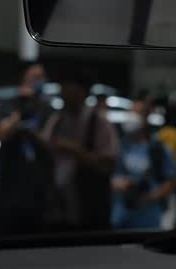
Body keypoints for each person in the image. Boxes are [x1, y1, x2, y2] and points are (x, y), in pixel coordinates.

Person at [41, 72, 118, 231]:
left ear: (82, 92)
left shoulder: (99, 123)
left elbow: (107, 165)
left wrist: (74, 149)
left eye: (70, 91)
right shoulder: (56, 120)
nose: (64, 96)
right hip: (59, 209)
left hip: (89, 210)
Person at [0, 61, 55, 236]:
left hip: (37, 191)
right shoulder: (8, 104)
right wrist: (20, 109)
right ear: (23, 79)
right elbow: (2, 133)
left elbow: (50, 143)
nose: (39, 81)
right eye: (35, 77)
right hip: (8, 189)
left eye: (42, 77)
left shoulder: (47, 108)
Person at [111, 111, 176, 230]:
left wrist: (149, 197)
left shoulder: (157, 149)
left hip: (150, 217)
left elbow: (172, 181)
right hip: (123, 215)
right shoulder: (120, 147)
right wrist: (120, 184)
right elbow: (111, 175)